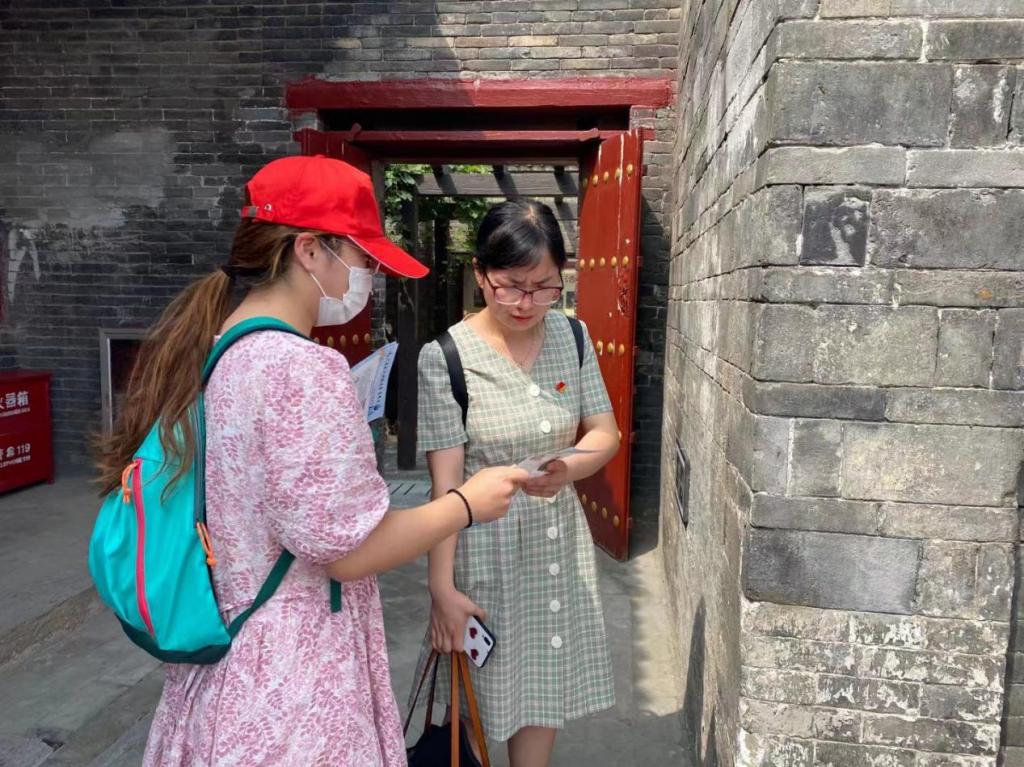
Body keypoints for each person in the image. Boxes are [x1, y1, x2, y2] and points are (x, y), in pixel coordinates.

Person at [94, 155, 528, 766]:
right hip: (294, 685)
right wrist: (466, 503)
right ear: (309, 250)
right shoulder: (301, 369)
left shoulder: (219, 352)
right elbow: (349, 552)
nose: (369, 275)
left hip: (226, 664)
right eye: (362, 257)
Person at [414, 199, 620, 767]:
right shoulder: (446, 358)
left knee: (541, 690)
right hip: (484, 551)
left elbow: (605, 432)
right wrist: (441, 589)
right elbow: (445, 488)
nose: (527, 303)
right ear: (480, 273)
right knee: (479, 701)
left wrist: (569, 468)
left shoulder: (572, 337)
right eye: (510, 287)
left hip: (557, 546)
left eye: (544, 287)